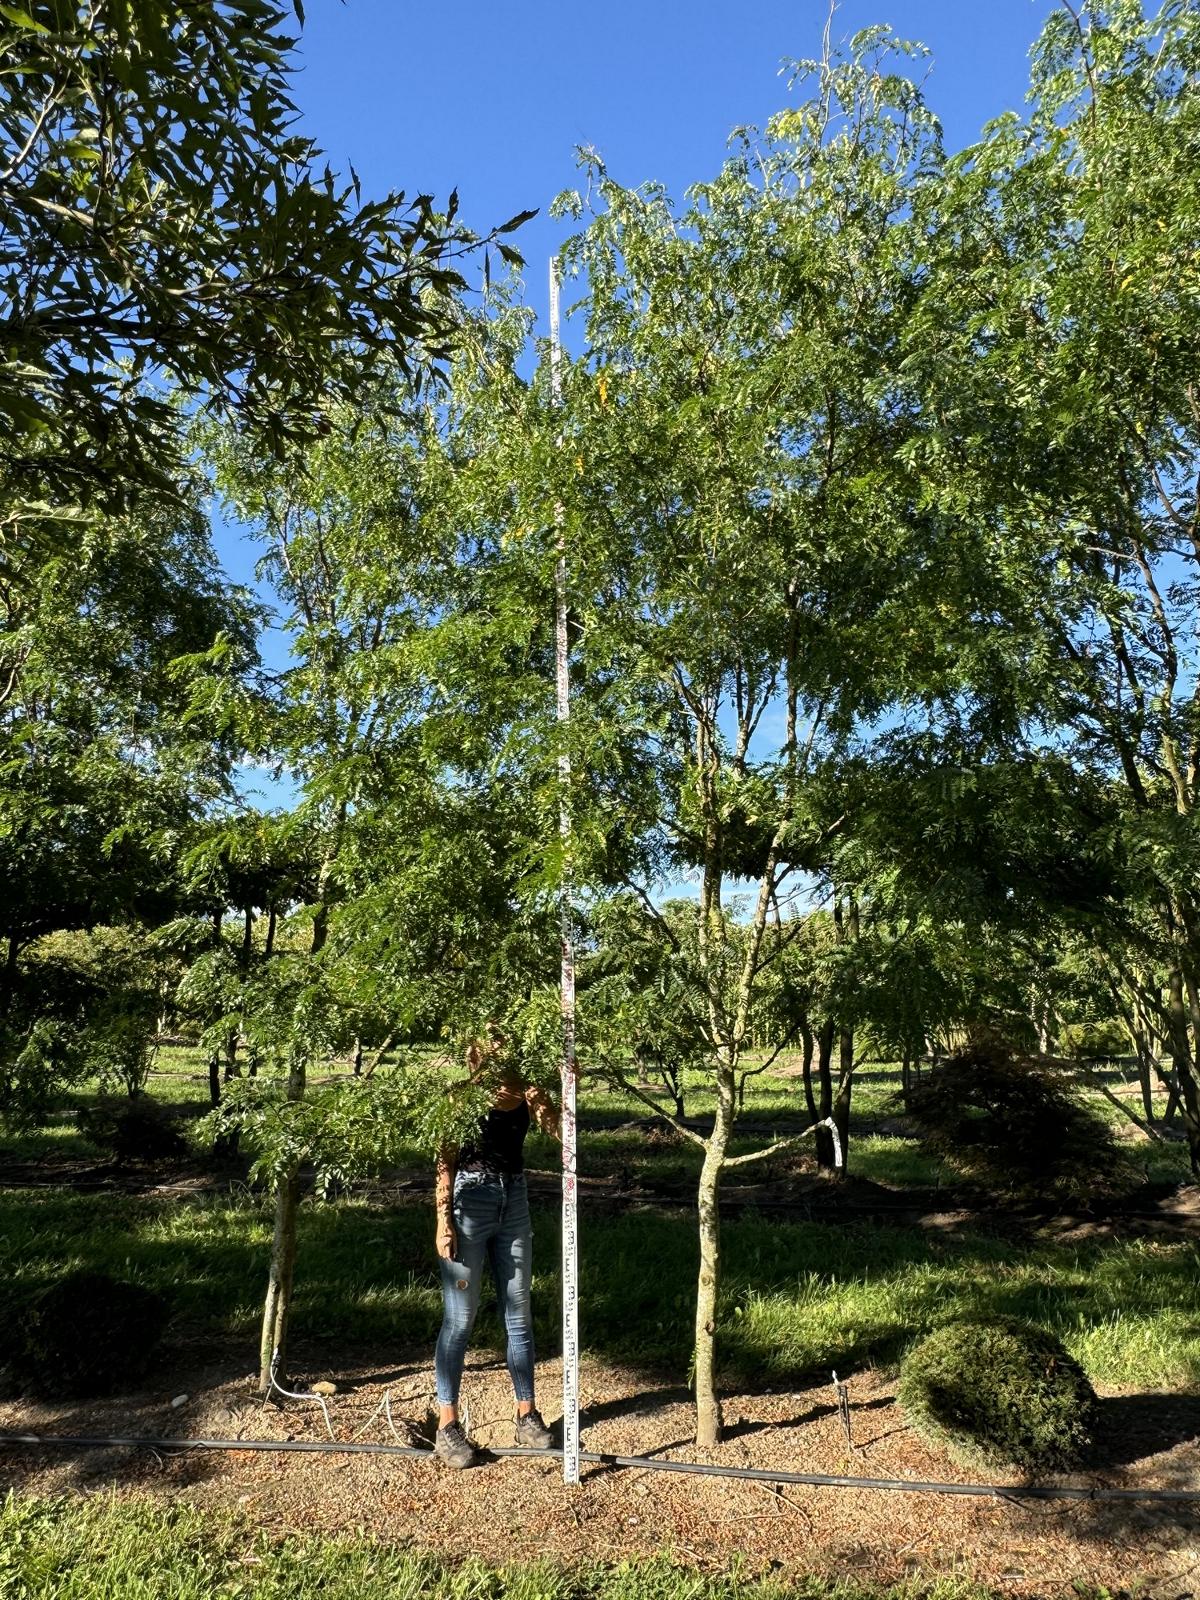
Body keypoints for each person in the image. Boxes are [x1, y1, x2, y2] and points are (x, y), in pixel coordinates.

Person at [432, 1025, 560, 1468]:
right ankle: (447, 1424)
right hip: (471, 1200)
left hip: (515, 1200)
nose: (497, 1053)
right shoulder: (462, 1097)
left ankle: (527, 1416)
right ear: (475, 1054)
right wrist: (442, 1220)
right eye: (489, 1046)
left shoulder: (527, 1091)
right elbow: (444, 1161)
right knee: (460, 1318)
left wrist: (560, 1093)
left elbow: (563, 1136)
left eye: (505, 1045)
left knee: (519, 1312)